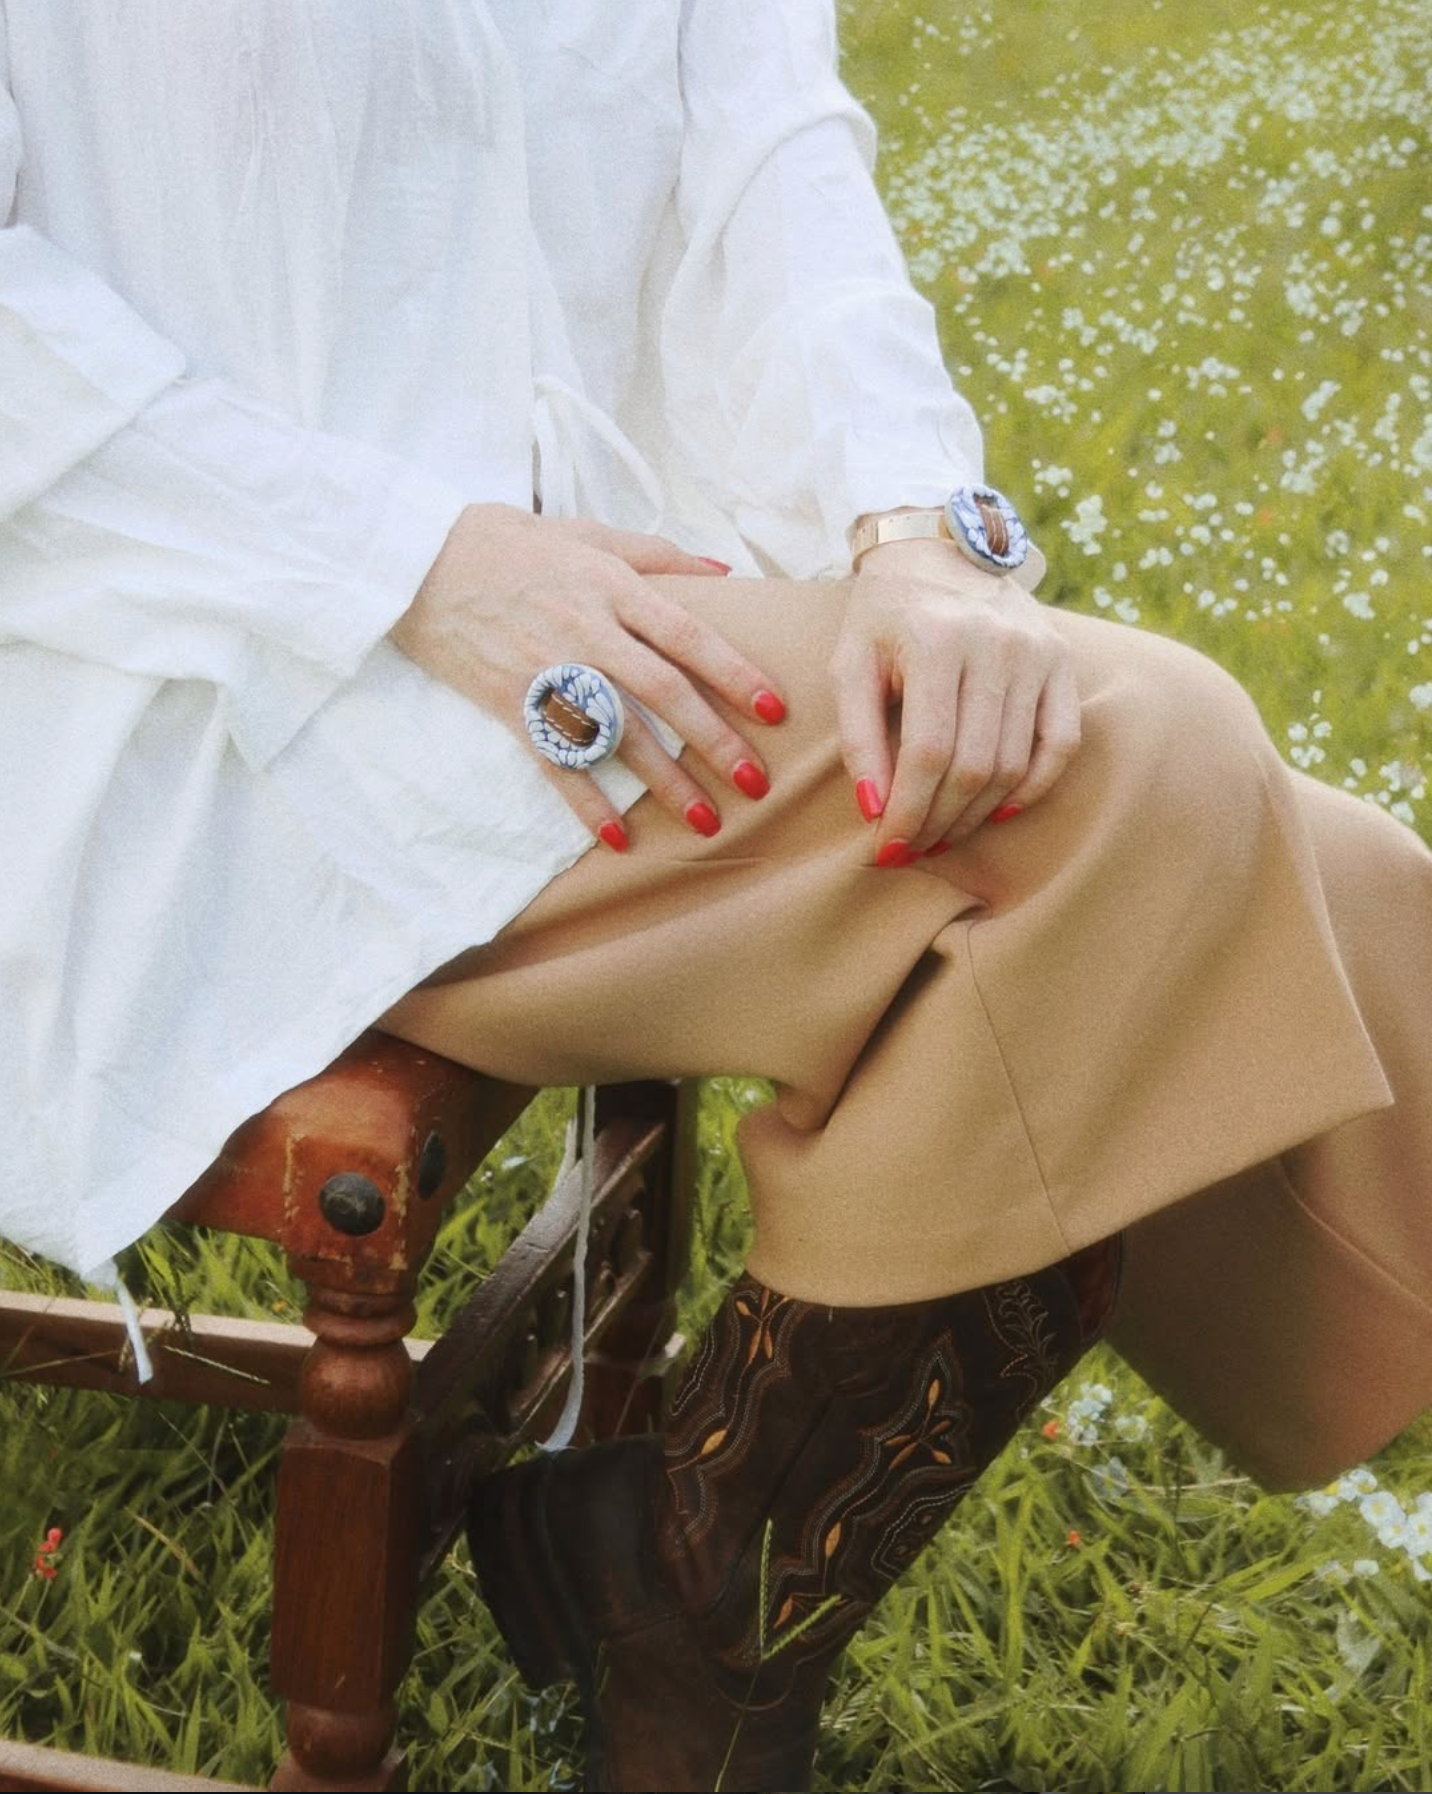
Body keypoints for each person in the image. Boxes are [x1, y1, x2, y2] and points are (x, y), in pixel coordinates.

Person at [1, 3, 1427, 1790]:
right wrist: (405, 562)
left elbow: (770, 149)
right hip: (193, 673)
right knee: (1151, 784)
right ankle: (690, 1616)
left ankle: (690, 1577)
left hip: (607, 630)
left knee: (1335, 889)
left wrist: (911, 530)